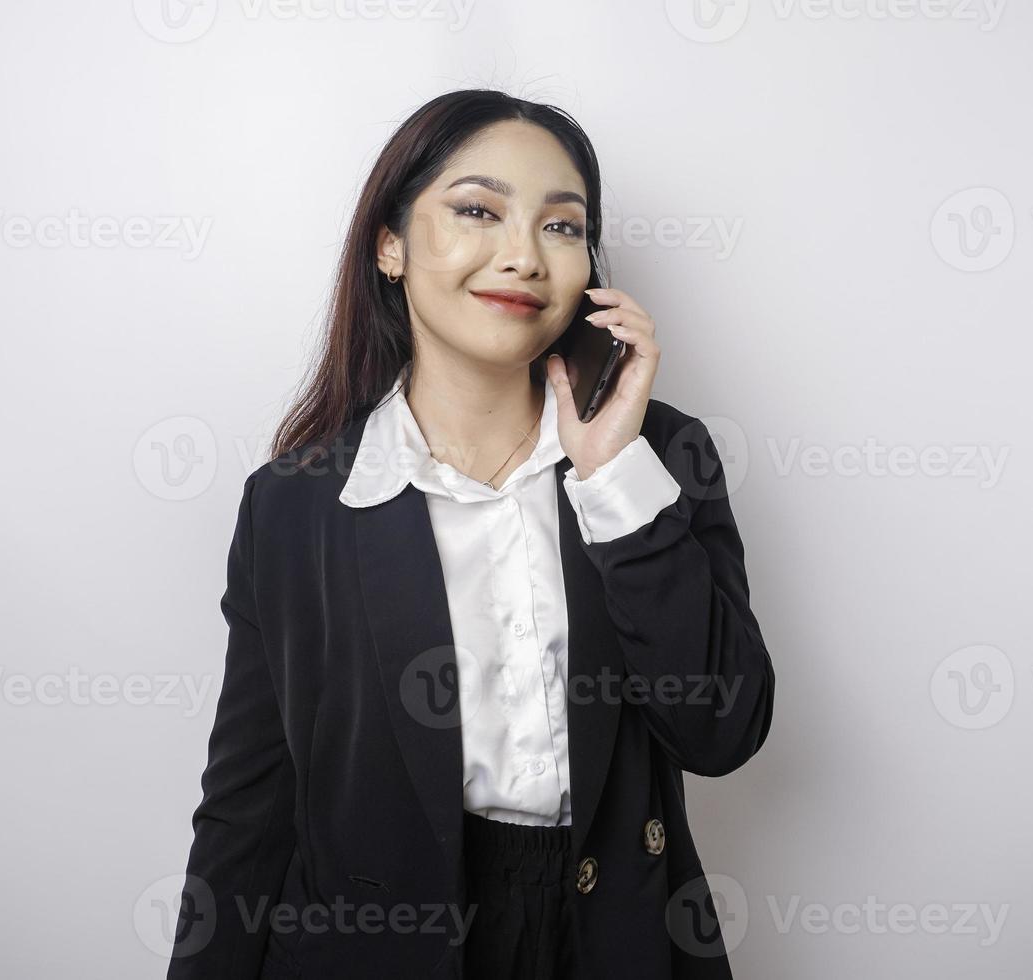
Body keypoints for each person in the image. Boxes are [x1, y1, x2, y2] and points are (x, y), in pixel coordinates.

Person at [168, 88, 775, 980]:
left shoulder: (660, 455)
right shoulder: (295, 508)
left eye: (562, 227)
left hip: (613, 935)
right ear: (390, 245)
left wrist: (609, 474)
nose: (524, 256)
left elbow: (723, 730)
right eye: (477, 211)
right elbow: (247, 811)